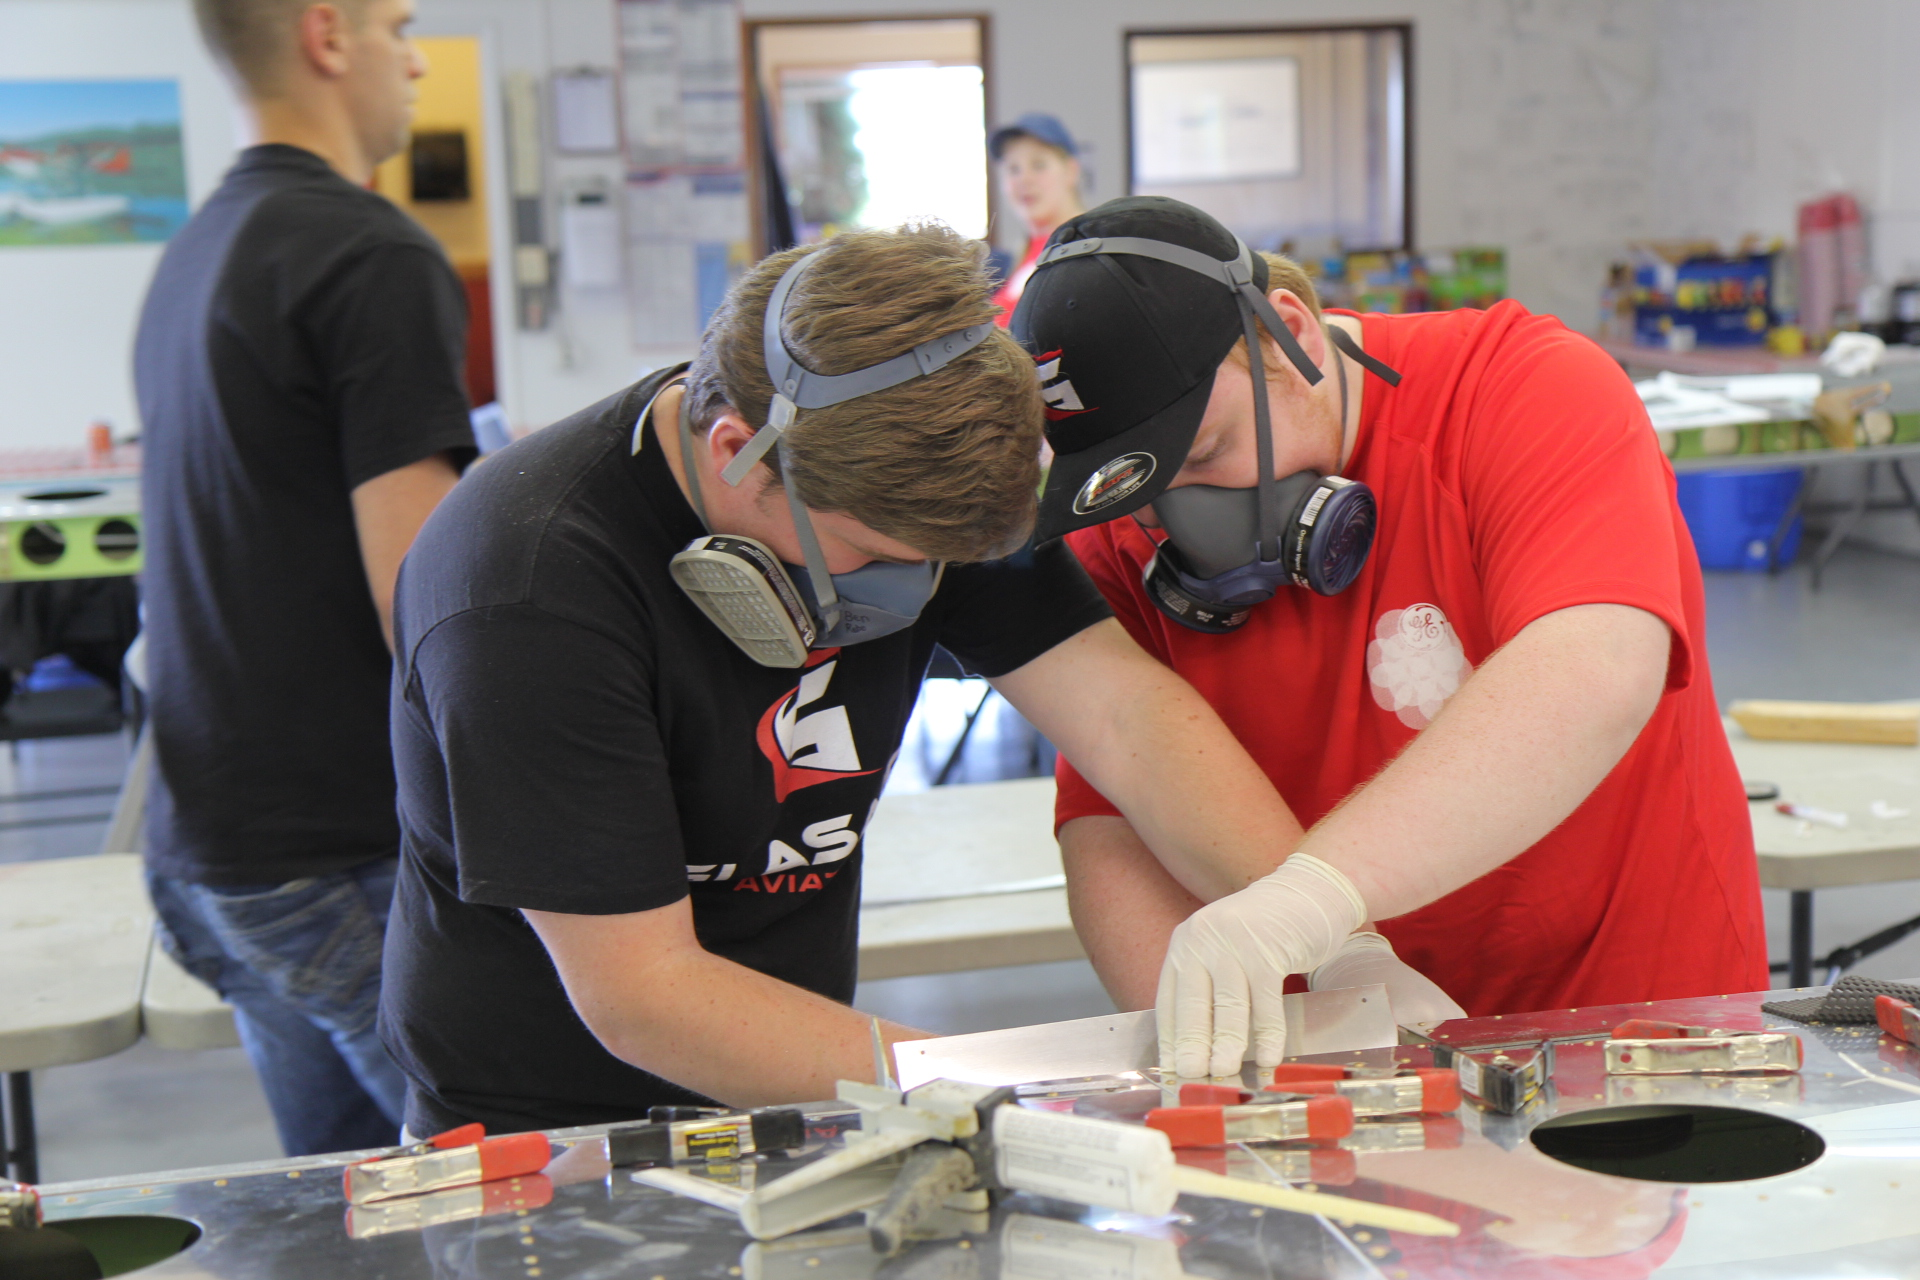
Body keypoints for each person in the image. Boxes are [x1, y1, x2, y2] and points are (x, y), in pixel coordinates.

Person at [377, 223, 1318, 1134]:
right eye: (871, 556)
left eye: (941, 564)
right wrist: (1010, 1092)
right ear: (737, 454)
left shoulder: (919, 478)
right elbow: (646, 996)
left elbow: (1127, 716)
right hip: (548, 1129)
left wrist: (1320, 928)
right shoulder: (526, 591)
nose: (913, 589)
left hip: (800, 1084)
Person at [1011, 196, 1767, 1078]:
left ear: (1285, 334)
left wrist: (1311, 898)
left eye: (1208, 451)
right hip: (1341, 1051)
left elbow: (1594, 666)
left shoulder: (1522, 387)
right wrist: (1220, 1059)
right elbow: (1113, 814)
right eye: (1145, 485)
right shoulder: (1118, 526)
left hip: (1630, 1012)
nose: (1181, 513)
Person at [135, 0, 475, 1154]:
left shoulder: (198, 250)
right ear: (328, 35)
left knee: (345, 1213)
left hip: (212, 851)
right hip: (335, 854)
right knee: (532, 1201)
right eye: (399, 25)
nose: (418, 56)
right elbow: (428, 607)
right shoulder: (369, 252)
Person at [988, 113, 1086, 324]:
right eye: (1013, 169)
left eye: (1039, 165)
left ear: (1071, 171)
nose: (1024, 179)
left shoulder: (1090, 252)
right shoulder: (1007, 265)